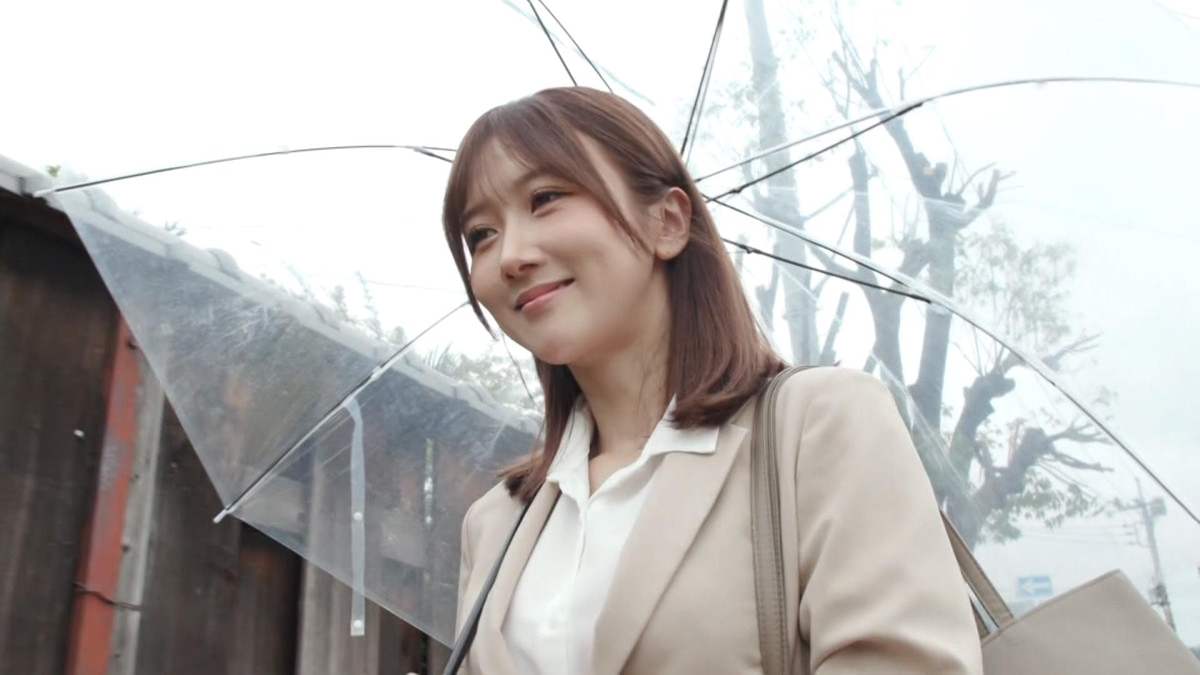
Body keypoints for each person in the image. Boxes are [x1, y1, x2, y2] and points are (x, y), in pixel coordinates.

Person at [441, 86, 983, 674]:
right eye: (481, 234)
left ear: (668, 222)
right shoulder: (495, 524)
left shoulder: (819, 428)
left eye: (545, 198)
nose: (510, 256)